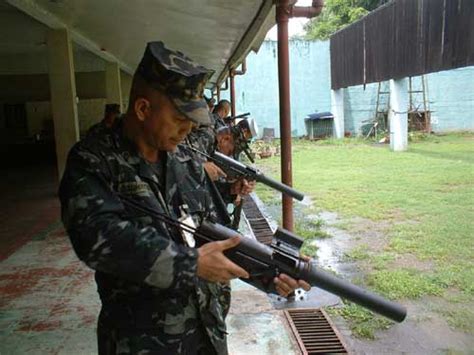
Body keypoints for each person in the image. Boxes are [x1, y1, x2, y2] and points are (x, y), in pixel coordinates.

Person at [59, 40, 308, 355]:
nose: (188, 129)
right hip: (142, 343)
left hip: (206, 335)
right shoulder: (94, 159)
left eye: (193, 121)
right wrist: (189, 265)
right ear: (143, 109)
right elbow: (97, 239)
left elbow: (211, 234)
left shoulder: (183, 158)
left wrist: (270, 270)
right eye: (180, 119)